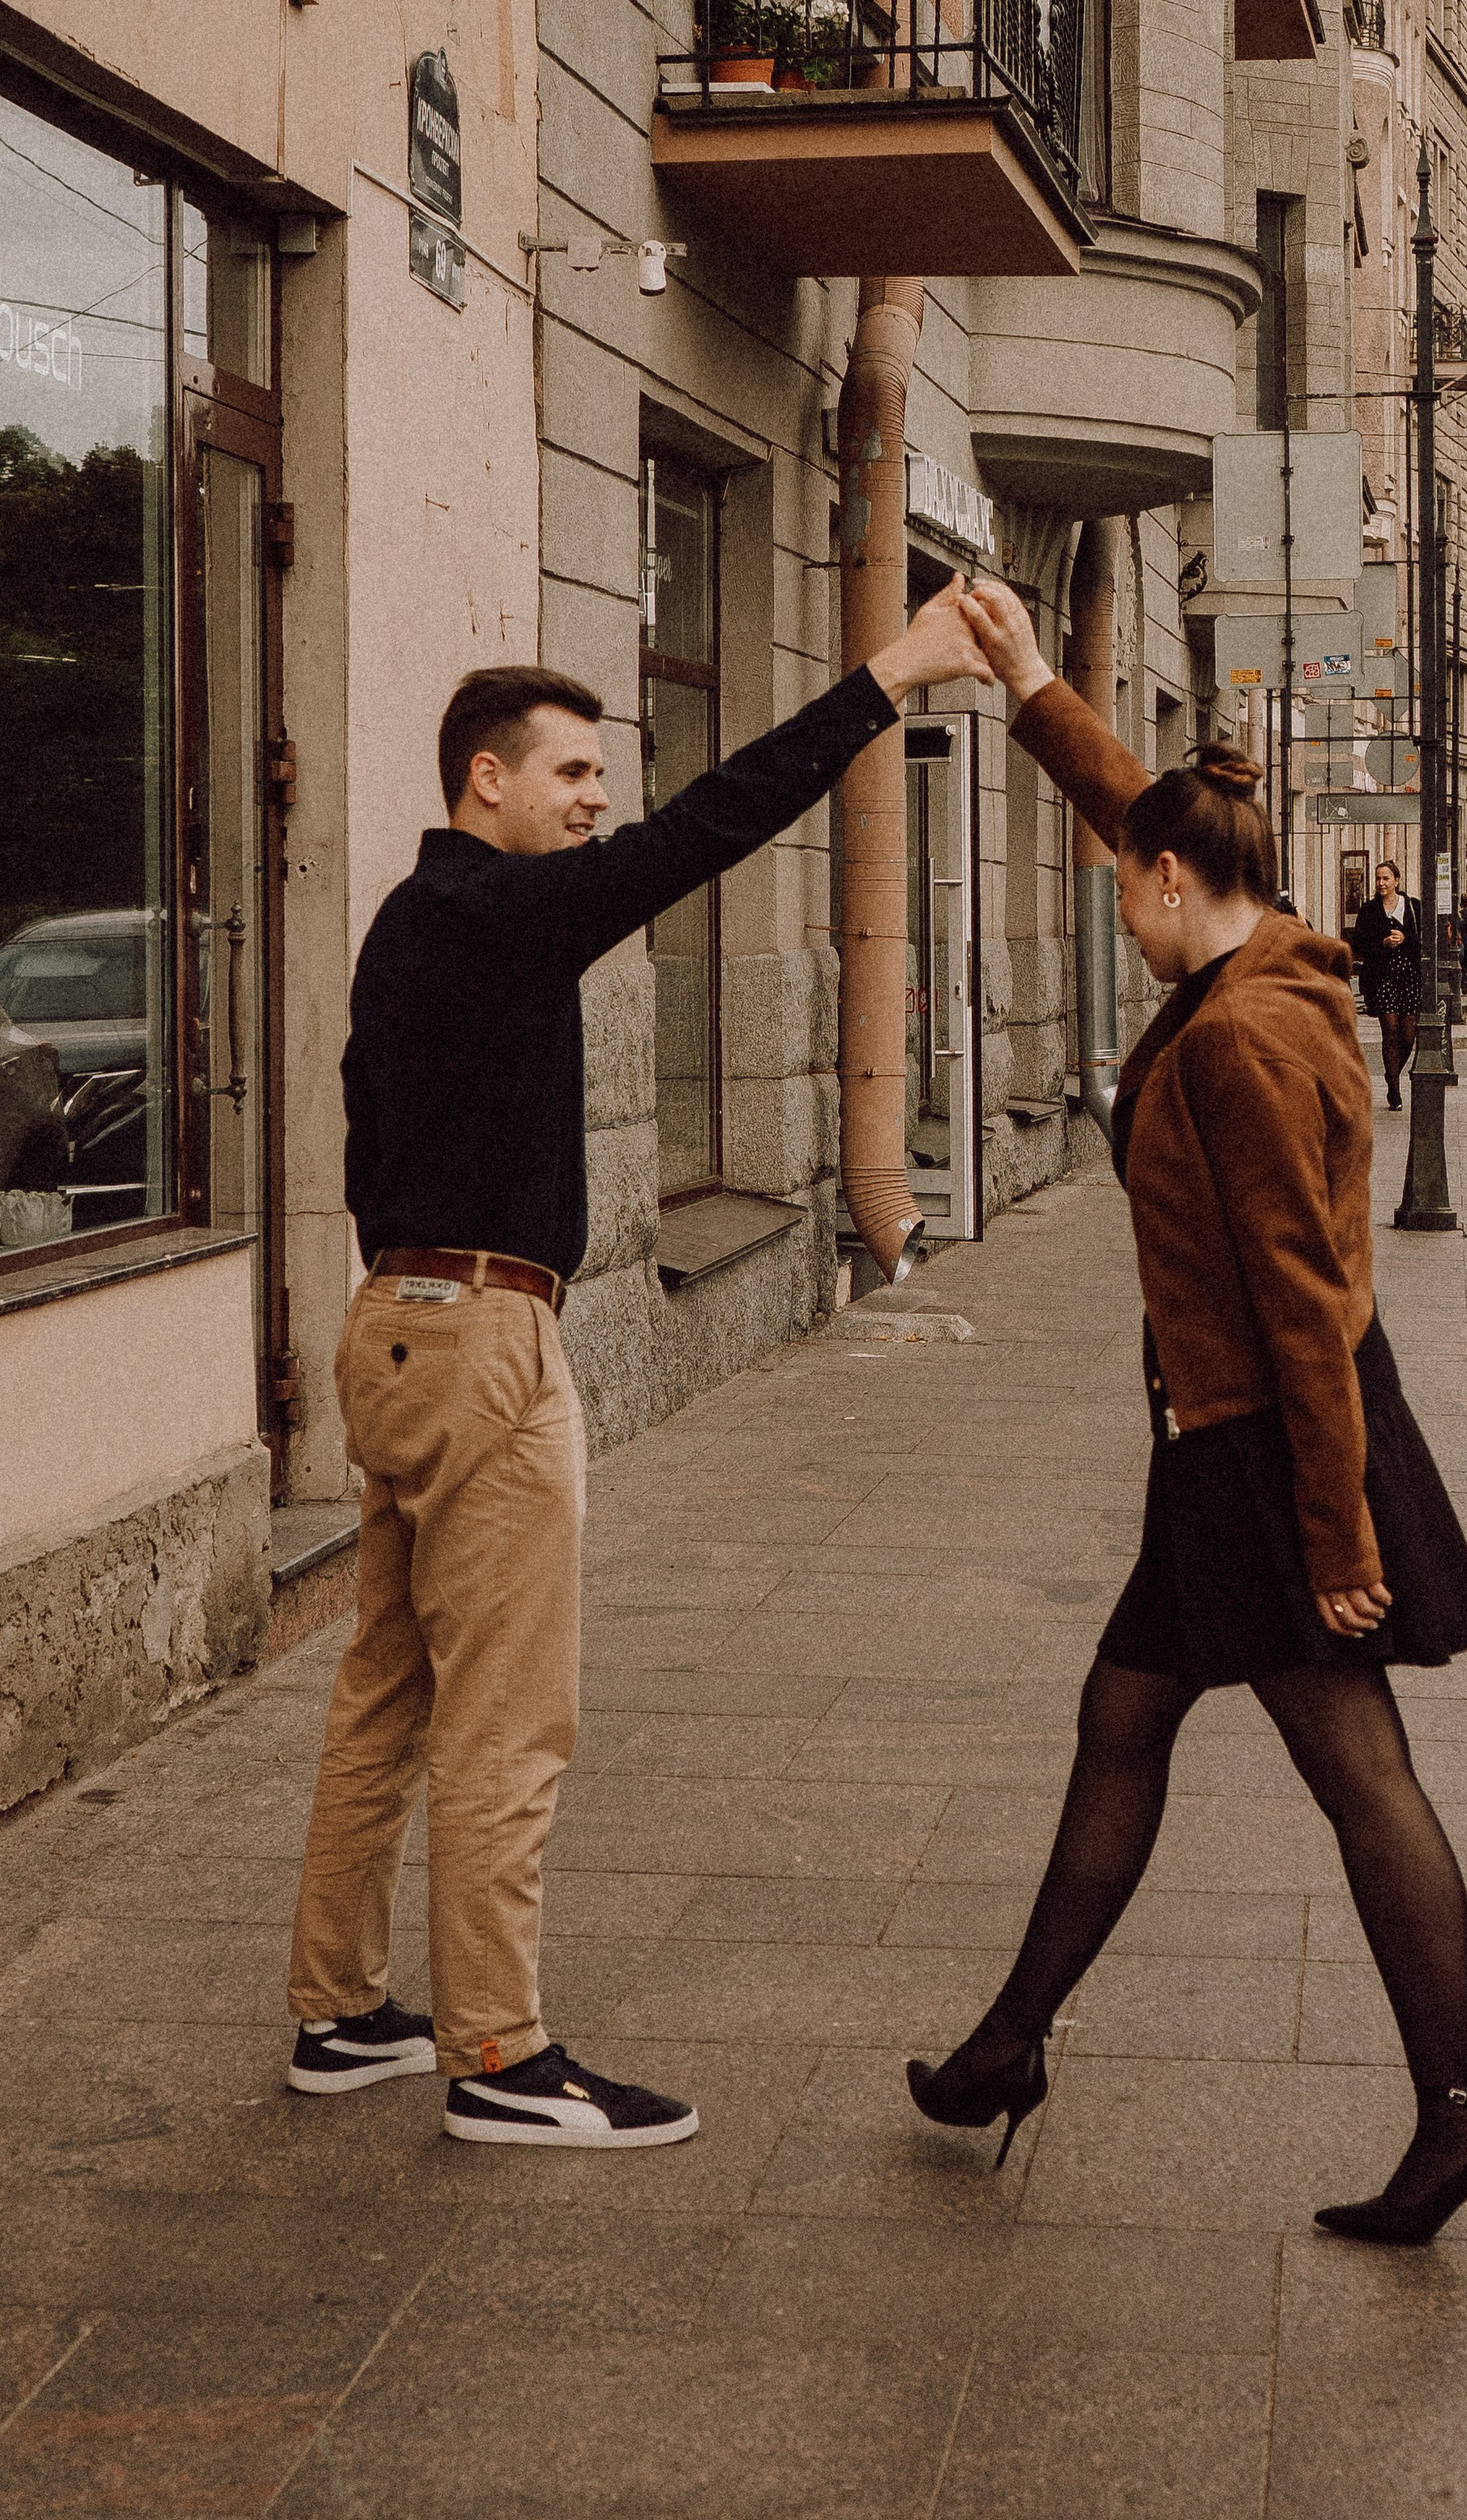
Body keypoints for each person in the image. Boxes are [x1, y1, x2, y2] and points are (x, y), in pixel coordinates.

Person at [285, 584, 993, 2147]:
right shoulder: (502, 910)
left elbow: (363, 1131)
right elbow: (711, 830)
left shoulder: (413, 922)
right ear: (486, 781)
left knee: (387, 1685)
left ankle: (338, 2012)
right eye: (573, 773)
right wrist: (890, 674)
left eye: (602, 777)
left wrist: (413, 1301)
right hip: (479, 1337)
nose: (599, 801)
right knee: (506, 1715)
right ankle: (499, 2056)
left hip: (399, 1323)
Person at [905, 581, 1467, 2248]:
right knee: (1122, 1716)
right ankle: (1007, 2045)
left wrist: (1339, 1542)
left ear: (1175, 885)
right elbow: (1140, 803)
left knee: (1358, 1772)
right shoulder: (1276, 946)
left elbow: (1302, 1303)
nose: (1120, 910)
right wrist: (1032, 681)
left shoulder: (1242, 1038)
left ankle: (1462, 2113)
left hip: (1272, 1446)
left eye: (1127, 887)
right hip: (1230, 1443)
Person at [1347, 857, 1423, 1111]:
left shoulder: (1413, 907)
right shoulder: (1369, 911)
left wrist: (1405, 938)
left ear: (1397, 881)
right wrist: (1383, 943)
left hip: (1409, 978)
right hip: (1382, 978)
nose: (1381, 883)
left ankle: (1392, 1074)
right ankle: (1395, 1090)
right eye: (1378, 878)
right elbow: (1359, 944)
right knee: (1390, 1030)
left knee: (1408, 1036)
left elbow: (1426, 941)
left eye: (1386, 878)